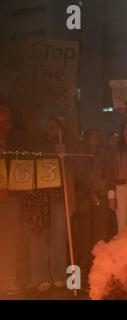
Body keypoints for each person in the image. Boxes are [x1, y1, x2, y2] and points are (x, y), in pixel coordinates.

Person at [24, 115, 71, 292]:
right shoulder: (36, 144)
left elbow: (69, 171)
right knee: (38, 235)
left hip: (56, 194)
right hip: (38, 196)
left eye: (54, 127)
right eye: (48, 127)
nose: (51, 130)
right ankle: (40, 276)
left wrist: (63, 156)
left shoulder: (65, 145)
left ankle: (58, 274)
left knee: (58, 234)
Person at [75, 128, 110, 270]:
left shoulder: (105, 154)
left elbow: (109, 173)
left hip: (100, 194)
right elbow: (78, 175)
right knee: (84, 229)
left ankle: (98, 257)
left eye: (96, 136)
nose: (94, 139)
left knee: (100, 228)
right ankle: (85, 258)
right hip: (84, 196)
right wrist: (88, 191)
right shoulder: (81, 154)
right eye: (91, 136)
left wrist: (99, 190)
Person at [0, 105, 22, 295]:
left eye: (5, 121)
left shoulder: (16, 141)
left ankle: (8, 280)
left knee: (9, 240)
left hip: (10, 197)